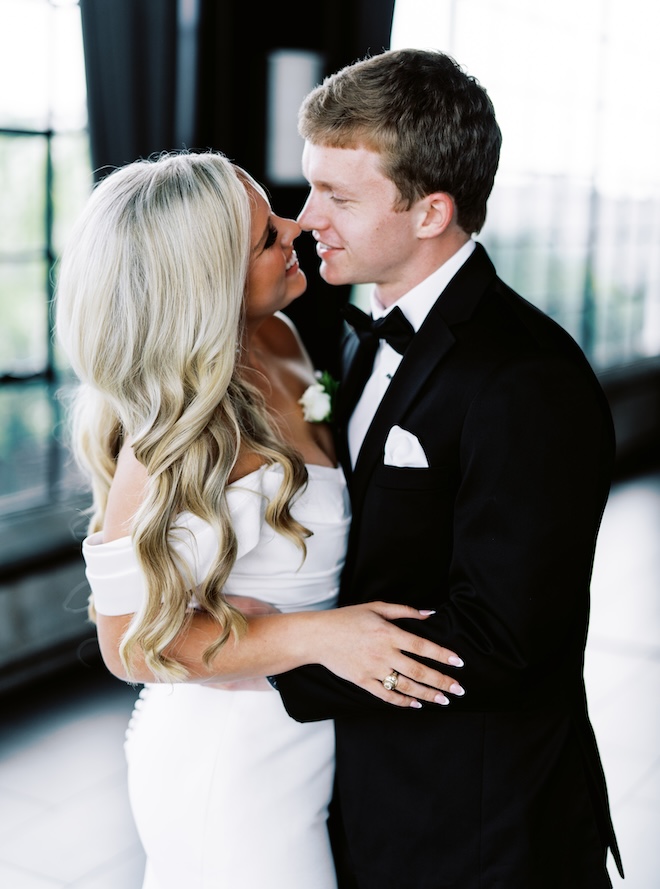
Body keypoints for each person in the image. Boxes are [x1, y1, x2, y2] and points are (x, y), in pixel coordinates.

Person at [54, 150, 464, 889]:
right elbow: (125, 647)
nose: (297, 229)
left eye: (274, 215)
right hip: (232, 765)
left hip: (312, 733)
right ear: (208, 282)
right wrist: (322, 634)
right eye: (267, 238)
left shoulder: (278, 338)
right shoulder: (170, 434)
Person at [268, 48, 625, 888]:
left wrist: (269, 654)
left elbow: (502, 635)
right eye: (313, 185)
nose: (307, 215)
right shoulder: (359, 333)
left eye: (340, 197)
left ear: (432, 212)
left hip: (481, 831)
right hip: (367, 801)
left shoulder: (527, 377)